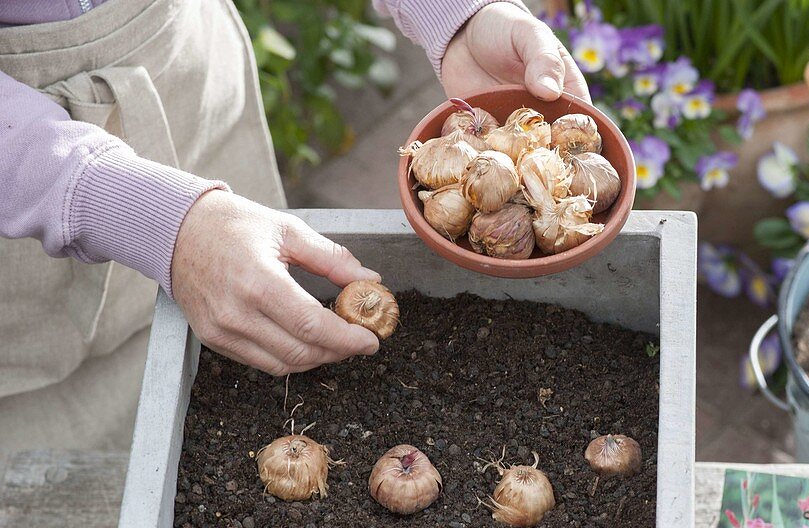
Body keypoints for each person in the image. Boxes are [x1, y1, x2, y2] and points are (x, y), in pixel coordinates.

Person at [0, 0, 588, 475]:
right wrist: (155, 218)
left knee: (257, 334)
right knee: (54, 473)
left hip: (180, 64)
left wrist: (452, 16)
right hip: (24, 171)